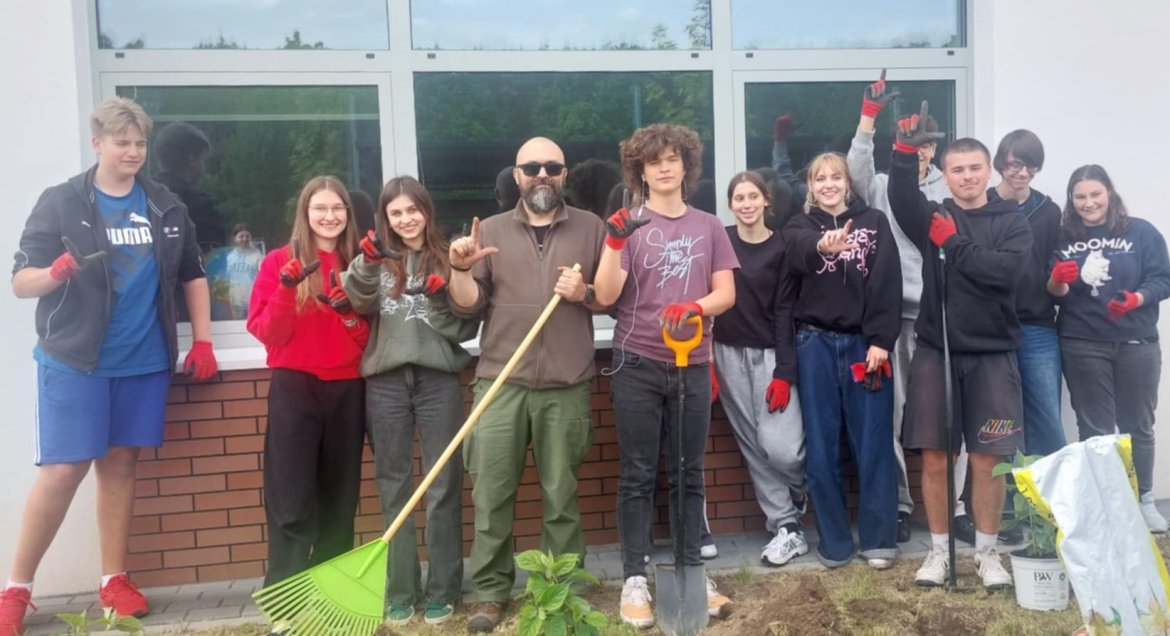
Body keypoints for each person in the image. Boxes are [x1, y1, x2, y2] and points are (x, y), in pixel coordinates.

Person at [2, 97, 218, 635]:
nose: (133, 152)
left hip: (143, 362)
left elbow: (192, 274)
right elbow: (20, 280)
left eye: (140, 143)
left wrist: (204, 341)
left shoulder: (166, 205)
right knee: (63, 470)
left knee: (120, 468)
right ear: (97, 142)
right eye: (122, 142)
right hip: (75, 360)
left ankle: (113, 582)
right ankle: (16, 590)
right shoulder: (62, 202)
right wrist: (55, 272)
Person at [447, 137, 608, 633]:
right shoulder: (490, 230)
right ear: (515, 176)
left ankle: (559, 592)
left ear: (564, 174)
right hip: (500, 381)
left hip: (567, 381)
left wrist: (585, 293)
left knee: (561, 493)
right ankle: (491, 593)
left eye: (552, 167)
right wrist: (460, 269)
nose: (542, 174)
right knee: (492, 494)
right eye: (531, 167)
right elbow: (467, 306)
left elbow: (614, 296)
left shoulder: (592, 228)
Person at [593, 123, 737, 628]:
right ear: (641, 171)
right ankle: (636, 577)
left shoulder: (708, 226)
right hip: (637, 363)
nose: (665, 167)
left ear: (686, 166)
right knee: (637, 474)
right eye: (654, 161)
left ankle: (692, 568)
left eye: (673, 158)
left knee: (688, 472)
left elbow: (725, 294)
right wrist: (613, 243)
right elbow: (606, 296)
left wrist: (692, 306)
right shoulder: (628, 226)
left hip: (692, 363)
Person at [888, 102, 1032, 590]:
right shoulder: (932, 216)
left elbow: (1005, 274)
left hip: (993, 355)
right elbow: (899, 196)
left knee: (989, 459)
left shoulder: (1011, 220)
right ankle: (938, 552)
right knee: (935, 456)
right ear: (944, 175)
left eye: (974, 168)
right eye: (957, 169)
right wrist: (905, 152)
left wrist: (956, 246)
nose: (966, 176)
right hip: (937, 350)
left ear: (988, 171)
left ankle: (987, 554)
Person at [343, 176, 479, 626]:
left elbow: (466, 328)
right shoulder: (375, 258)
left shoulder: (449, 255)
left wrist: (443, 294)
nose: (405, 220)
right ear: (385, 217)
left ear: (426, 210)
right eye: (396, 213)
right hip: (384, 382)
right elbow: (357, 302)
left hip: (438, 378)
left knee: (443, 485)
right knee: (394, 486)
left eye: (412, 210)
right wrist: (365, 262)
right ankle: (400, 589)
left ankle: (444, 588)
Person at [246, 176, 368, 588]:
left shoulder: (360, 265)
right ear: (306, 213)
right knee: (291, 499)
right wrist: (285, 290)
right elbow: (267, 332)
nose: (329, 216)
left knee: (339, 499)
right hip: (294, 389)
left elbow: (371, 339)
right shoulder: (279, 261)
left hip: (348, 390)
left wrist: (349, 314)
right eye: (320, 208)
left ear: (348, 214)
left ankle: (331, 595)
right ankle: (286, 594)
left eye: (337, 208)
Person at [845, 69, 951, 543]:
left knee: (950, 417)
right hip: (892, 318)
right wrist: (869, 116)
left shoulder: (953, 190)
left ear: (936, 149)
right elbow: (854, 167)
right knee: (890, 416)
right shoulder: (882, 185)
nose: (922, 150)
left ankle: (956, 507)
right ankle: (901, 503)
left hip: (944, 320)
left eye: (929, 144)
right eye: (915, 142)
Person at [783, 152, 902, 570]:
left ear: (848, 182)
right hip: (813, 344)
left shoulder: (873, 222)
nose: (829, 184)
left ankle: (879, 541)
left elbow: (887, 282)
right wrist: (822, 245)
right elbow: (797, 253)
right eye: (820, 178)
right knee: (821, 445)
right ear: (810, 187)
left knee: (872, 443)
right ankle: (833, 543)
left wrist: (880, 340)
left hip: (863, 347)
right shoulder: (799, 226)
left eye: (836, 177)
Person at [1047, 165, 1170, 533]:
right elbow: (1055, 293)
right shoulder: (1062, 237)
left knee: (1139, 426)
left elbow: (1163, 279)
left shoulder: (1141, 231)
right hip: (1083, 342)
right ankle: (1104, 502)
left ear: (1109, 193)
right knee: (1095, 429)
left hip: (1137, 343)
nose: (1088, 203)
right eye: (1080, 196)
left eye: (1095, 194)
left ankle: (1143, 498)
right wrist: (1057, 279)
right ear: (1071, 200)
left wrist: (1136, 298)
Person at [712, 171, 808, 567]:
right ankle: (786, 526)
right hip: (727, 352)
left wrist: (785, 371)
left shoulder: (782, 246)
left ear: (766, 201)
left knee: (783, 449)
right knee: (753, 445)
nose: (746, 204)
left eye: (753, 197)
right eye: (739, 198)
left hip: (770, 354)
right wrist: (707, 363)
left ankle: (798, 490)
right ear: (730, 205)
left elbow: (787, 311)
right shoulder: (722, 242)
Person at [989, 130, 1065, 457]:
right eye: (1015, 165)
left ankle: (1048, 500)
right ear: (1000, 164)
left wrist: (1060, 279)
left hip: (1037, 325)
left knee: (1047, 416)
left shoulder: (1049, 210)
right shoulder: (983, 203)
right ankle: (1006, 501)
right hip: (991, 326)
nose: (1022, 173)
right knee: (998, 419)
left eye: (1030, 166)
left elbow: (1052, 267)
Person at [152, 121, 227, 251]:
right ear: (192, 160)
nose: (204, 164)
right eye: (202, 158)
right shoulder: (200, 207)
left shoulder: (138, 196)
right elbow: (214, 257)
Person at [225, 223, 263, 319]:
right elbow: (228, 279)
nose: (244, 239)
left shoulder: (258, 256)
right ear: (235, 239)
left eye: (247, 236)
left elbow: (262, 277)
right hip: (236, 301)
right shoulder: (230, 257)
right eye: (241, 236)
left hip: (253, 300)